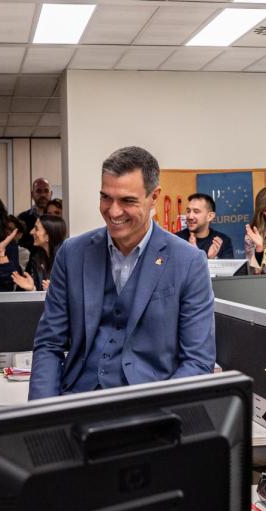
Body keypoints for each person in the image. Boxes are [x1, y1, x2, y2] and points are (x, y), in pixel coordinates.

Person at [29, 146, 215, 400]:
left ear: (154, 197)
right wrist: (43, 415)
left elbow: (198, 362)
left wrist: (160, 415)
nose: (113, 211)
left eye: (127, 201)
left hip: (153, 412)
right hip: (78, 404)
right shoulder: (72, 254)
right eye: (106, 197)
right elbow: (49, 344)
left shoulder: (189, 261)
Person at [12, 215, 66, 292]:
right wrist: (32, 289)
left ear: (48, 235)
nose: (31, 232)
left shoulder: (66, 259)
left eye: (36, 229)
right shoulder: (36, 257)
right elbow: (38, 293)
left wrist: (56, 292)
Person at [175, 193, 234, 259]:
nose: (190, 216)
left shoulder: (223, 242)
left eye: (196, 212)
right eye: (188, 211)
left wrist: (211, 259)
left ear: (210, 216)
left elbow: (228, 269)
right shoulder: (176, 240)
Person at [18, 177, 52, 249]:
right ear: (32, 194)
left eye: (46, 191)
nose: (43, 195)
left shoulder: (57, 217)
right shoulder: (22, 218)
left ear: (51, 194)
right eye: (39, 191)